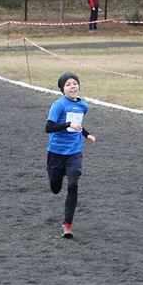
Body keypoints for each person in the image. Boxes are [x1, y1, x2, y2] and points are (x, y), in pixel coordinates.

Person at [45, 72, 96, 238]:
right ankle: (57, 176)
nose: (73, 86)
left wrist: (87, 134)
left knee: (73, 185)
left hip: (74, 152)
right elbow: (49, 128)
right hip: (56, 152)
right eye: (68, 84)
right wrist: (68, 124)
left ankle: (67, 225)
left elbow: (78, 125)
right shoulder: (58, 105)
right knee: (55, 188)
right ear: (62, 90)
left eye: (75, 83)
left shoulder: (83, 106)